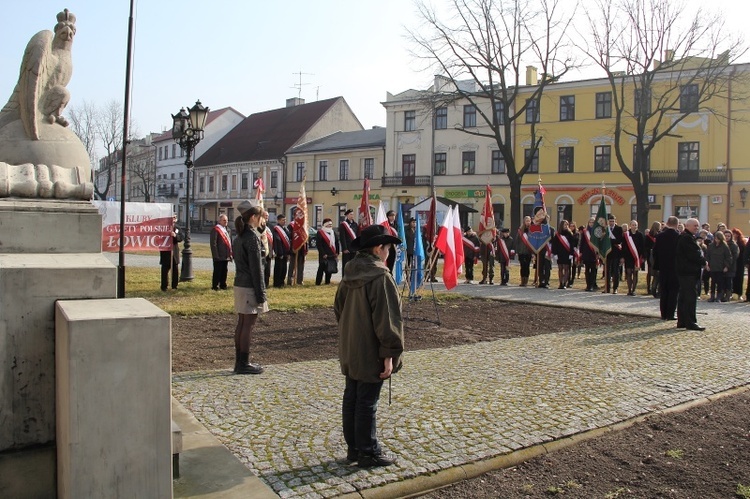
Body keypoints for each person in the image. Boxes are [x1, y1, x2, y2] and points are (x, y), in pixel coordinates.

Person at [334, 224, 404, 468]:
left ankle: (354, 448)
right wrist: (389, 354)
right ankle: (367, 451)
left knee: (352, 396)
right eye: (387, 249)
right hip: (370, 349)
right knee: (366, 401)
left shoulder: (349, 272)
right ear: (378, 249)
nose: (388, 254)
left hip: (351, 346)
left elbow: (339, 310)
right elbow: (387, 320)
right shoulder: (380, 277)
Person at [232, 202, 269, 374]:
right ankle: (243, 363)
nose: (263, 220)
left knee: (242, 322)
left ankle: (240, 361)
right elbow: (256, 269)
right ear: (253, 218)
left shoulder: (240, 235)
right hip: (248, 285)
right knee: (248, 324)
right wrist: (261, 294)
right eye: (261, 217)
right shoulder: (251, 237)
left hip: (240, 283)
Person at [675, 218, 707, 331]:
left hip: (685, 272)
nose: (697, 228)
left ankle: (682, 321)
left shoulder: (685, 237)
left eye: (698, 226)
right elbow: (694, 254)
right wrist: (704, 261)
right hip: (688, 272)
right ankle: (691, 322)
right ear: (687, 226)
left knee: (683, 297)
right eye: (695, 226)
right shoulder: (687, 238)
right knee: (690, 298)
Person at [653, 216, 680, 321]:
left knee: (664, 290)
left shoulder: (660, 236)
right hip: (675, 267)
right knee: (673, 291)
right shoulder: (678, 236)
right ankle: (670, 314)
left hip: (663, 267)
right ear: (677, 224)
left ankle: (663, 314)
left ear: (668, 223)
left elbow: (655, 252)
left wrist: (658, 264)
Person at [160, 214, 184, 292]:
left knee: (175, 270)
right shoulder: (164, 227)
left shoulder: (177, 227)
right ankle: (164, 286)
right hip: (165, 251)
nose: (174, 219)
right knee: (165, 270)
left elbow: (181, 237)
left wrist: (175, 236)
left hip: (174, 251)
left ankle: (174, 286)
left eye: (175, 217)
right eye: (172, 217)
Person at [705, 230, 731, 303]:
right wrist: (707, 265)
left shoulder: (725, 246)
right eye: (716, 238)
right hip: (712, 267)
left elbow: (728, 257)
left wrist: (726, 266)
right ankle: (712, 296)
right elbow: (707, 256)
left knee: (720, 283)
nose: (717, 240)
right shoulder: (711, 246)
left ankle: (719, 297)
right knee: (713, 283)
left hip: (720, 268)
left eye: (718, 239)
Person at [210, 214, 233, 291]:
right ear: (219, 221)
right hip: (219, 254)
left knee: (224, 270)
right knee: (217, 271)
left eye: (226, 220)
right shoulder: (216, 229)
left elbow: (230, 242)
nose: (226, 222)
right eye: (224, 220)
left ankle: (223, 284)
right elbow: (213, 244)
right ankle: (215, 285)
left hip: (226, 254)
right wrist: (215, 255)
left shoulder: (227, 230)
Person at [622, 220, 645, 296]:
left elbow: (642, 246)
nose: (634, 226)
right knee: (628, 273)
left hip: (636, 257)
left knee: (635, 273)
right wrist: (622, 257)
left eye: (635, 225)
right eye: (633, 225)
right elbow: (623, 246)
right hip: (628, 256)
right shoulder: (626, 235)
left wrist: (642, 257)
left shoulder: (640, 235)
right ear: (630, 225)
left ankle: (634, 290)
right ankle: (629, 290)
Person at [315, 218, 340, 285]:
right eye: (328, 224)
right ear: (325, 224)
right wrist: (323, 253)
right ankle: (318, 282)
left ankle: (327, 282)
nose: (330, 226)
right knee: (321, 268)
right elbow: (319, 244)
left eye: (331, 224)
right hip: (324, 254)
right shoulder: (320, 233)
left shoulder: (333, 232)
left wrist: (337, 252)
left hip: (332, 253)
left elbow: (337, 243)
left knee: (329, 268)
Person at [287, 209, 308, 285]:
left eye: (300, 215)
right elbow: (289, 238)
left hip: (302, 249)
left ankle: (300, 280)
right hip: (294, 249)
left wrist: (306, 250)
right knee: (292, 265)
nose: (299, 216)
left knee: (301, 266)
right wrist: (291, 249)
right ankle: (290, 280)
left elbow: (306, 239)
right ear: (294, 216)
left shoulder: (303, 226)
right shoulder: (291, 225)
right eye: (297, 215)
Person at [551, 220, 574, 289]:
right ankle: (560, 283)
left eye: (567, 225)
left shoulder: (570, 234)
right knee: (560, 268)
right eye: (564, 225)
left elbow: (572, 245)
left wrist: (571, 254)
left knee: (566, 268)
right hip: (559, 253)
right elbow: (554, 245)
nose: (566, 226)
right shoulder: (557, 235)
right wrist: (555, 254)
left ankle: (565, 283)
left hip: (567, 254)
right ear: (561, 225)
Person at [605, 214, 623, 294]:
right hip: (608, 253)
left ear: (615, 221)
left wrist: (610, 241)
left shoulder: (619, 229)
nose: (611, 223)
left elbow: (619, 240)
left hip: (616, 253)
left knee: (616, 271)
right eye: (610, 221)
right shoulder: (606, 229)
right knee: (607, 271)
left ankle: (615, 288)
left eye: (613, 221)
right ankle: (607, 287)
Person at [272, 214, 291, 287]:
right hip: (279, 253)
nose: (284, 221)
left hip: (285, 252)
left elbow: (288, 240)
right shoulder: (276, 229)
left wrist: (288, 253)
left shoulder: (285, 229)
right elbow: (277, 241)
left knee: (284, 269)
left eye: (285, 220)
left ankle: (282, 282)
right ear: (278, 220)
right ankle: (277, 283)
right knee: (278, 269)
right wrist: (279, 253)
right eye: (283, 220)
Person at [580, 217, 599, 291]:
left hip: (594, 253)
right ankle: (588, 285)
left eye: (593, 222)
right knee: (587, 270)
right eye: (590, 222)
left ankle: (592, 285)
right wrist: (581, 252)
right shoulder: (585, 231)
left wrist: (598, 253)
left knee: (594, 270)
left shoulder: (597, 231)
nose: (591, 223)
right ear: (588, 223)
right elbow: (582, 242)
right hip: (586, 252)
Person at [339, 209, 359, 276]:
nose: (352, 216)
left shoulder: (355, 224)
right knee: (346, 264)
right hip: (347, 248)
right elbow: (342, 237)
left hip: (354, 248)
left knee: (353, 264)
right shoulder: (343, 225)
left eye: (353, 214)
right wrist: (344, 248)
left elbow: (357, 235)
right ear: (347, 215)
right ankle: (344, 278)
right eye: (350, 214)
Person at [644, 221, 661, 297]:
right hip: (652, 255)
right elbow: (646, 246)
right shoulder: (649, 236)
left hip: (651, 255)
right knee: (653, 272)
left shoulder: (659, 235)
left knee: (652, 272)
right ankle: (650, 288)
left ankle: (650, 288)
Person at [516, 216, 533, 287]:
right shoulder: (520, 231)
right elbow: (517, 241)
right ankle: (522, 281)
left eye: (529, 221)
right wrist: (517, 251)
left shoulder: (532, 230)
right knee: (522, 266)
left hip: (529, 251)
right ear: (524, 221)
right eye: (526, 221)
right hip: (521, 251)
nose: (528, 222)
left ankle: (526, 281)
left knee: (527, 266)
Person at [258, 210, 274, 288]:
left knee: (268, 270)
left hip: (269, 251)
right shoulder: (258, 226)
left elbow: (271, 239)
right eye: (265, 216)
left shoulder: (270, 226)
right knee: (261, 270)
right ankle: (261, 284)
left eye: (267, 216)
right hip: (262, 252)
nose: (267, 217)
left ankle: (266, 284)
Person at [731, 228, 746, 301]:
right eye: (733, 233)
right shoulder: (730, 242)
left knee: (739, 278)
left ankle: (739, 294)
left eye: (735, 234)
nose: (734, 235)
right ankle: (730, 293)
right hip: (732, 262)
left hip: (740, 263)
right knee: (731, 278)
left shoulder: (742, 243)